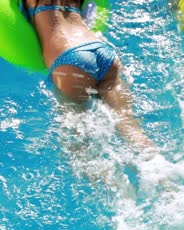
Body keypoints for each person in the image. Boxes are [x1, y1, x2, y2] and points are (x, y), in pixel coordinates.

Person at [19, 0, 155, 152]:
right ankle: (159, 168)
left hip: (70, 57)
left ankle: (104, 177)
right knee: (132, 130)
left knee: (80, 147)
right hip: (103, 51)